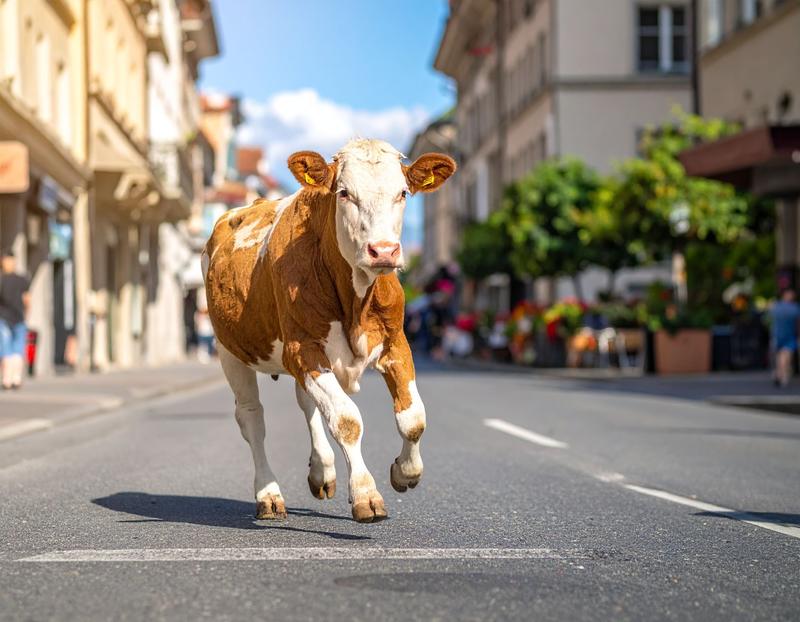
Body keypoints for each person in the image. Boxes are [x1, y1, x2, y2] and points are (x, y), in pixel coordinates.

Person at [0, 251, 30, 389]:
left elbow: (27, 299)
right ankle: (14, 379)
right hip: (14, 318)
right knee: (15, 349)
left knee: (8, 349)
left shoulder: (3, 279)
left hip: (7, 318)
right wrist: (26, 314)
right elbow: (27, 300)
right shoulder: (22, 279)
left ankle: (8, 379)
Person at [770, 288, 800, 387]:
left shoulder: (775, 306)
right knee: (786, 356)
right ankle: (782, 375)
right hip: (789, 335)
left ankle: (780, 373)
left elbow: (770, 320)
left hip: (778, 335)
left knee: (780, 356)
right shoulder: (795, 308)